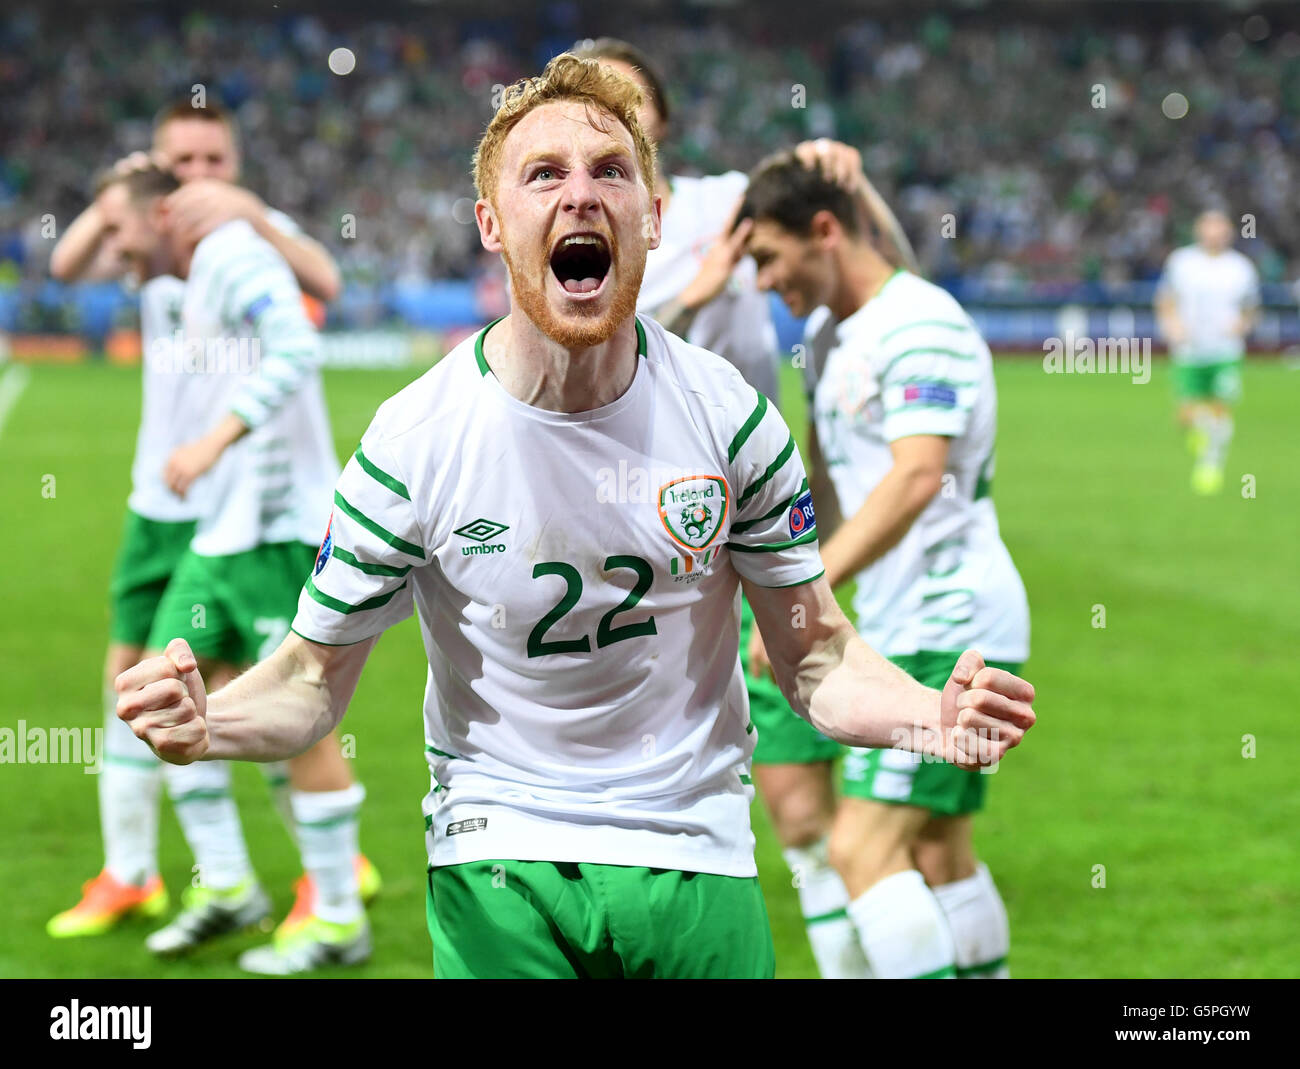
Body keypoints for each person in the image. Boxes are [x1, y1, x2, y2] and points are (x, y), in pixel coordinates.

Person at [117, 54, 1035, 980]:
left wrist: (930, 712)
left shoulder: (731, 419)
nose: (581, 195)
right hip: (498, 858)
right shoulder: (412, 441)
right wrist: (212, 721)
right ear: (491, 223)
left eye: (610, 171)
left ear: (654, 217)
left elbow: (819, 656)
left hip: (696, 852)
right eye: (544, 174)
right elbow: (312, 678)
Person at [577, 36, 917, 978]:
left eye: (630, 109)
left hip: (747, 509)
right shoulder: (573, 226)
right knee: (763, 797)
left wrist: (851, 180)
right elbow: (593, 354)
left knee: (811, 767)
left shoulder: (729, 200)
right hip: (614, 516)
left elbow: (866, 242)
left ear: (663, 128)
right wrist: (695, 291)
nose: (612, 122)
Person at [46, 99, 377, 954]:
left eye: (123, 233)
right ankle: (227, 883)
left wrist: (214, 437)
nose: (117, 256)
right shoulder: (183, 267)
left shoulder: (237, 247)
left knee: (296, 713)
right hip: (214, 524)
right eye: (178, 163)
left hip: (270, 525)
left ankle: (337, 910)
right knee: (168, 695)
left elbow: (300, 345)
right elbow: (74, 256)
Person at [740, 151, 1030, 979]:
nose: (762, 280)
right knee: (939, 852)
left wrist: (809, 588)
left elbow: (916, 475)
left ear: (824, 231)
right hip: (912, 618)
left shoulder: (919, 323)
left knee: (862, 848)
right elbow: (837, 482)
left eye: (769, 257)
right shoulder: (835, 336)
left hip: (950, 620)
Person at [1154, 209, 1259, 495]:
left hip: (1224, 351)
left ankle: (1211, 465)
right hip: (1188, 350)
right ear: (1199, 231)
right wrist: (1171, 325)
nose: (1214, 234)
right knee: (1185, 415)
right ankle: (1201, 431)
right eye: (1208, 228)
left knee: (1220, 408)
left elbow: (1252, 308)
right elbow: (1165, 299)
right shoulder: (1181, 262)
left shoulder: (1241, 267)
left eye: (1219, 228)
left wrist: (1242, 323)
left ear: (1228, 233)